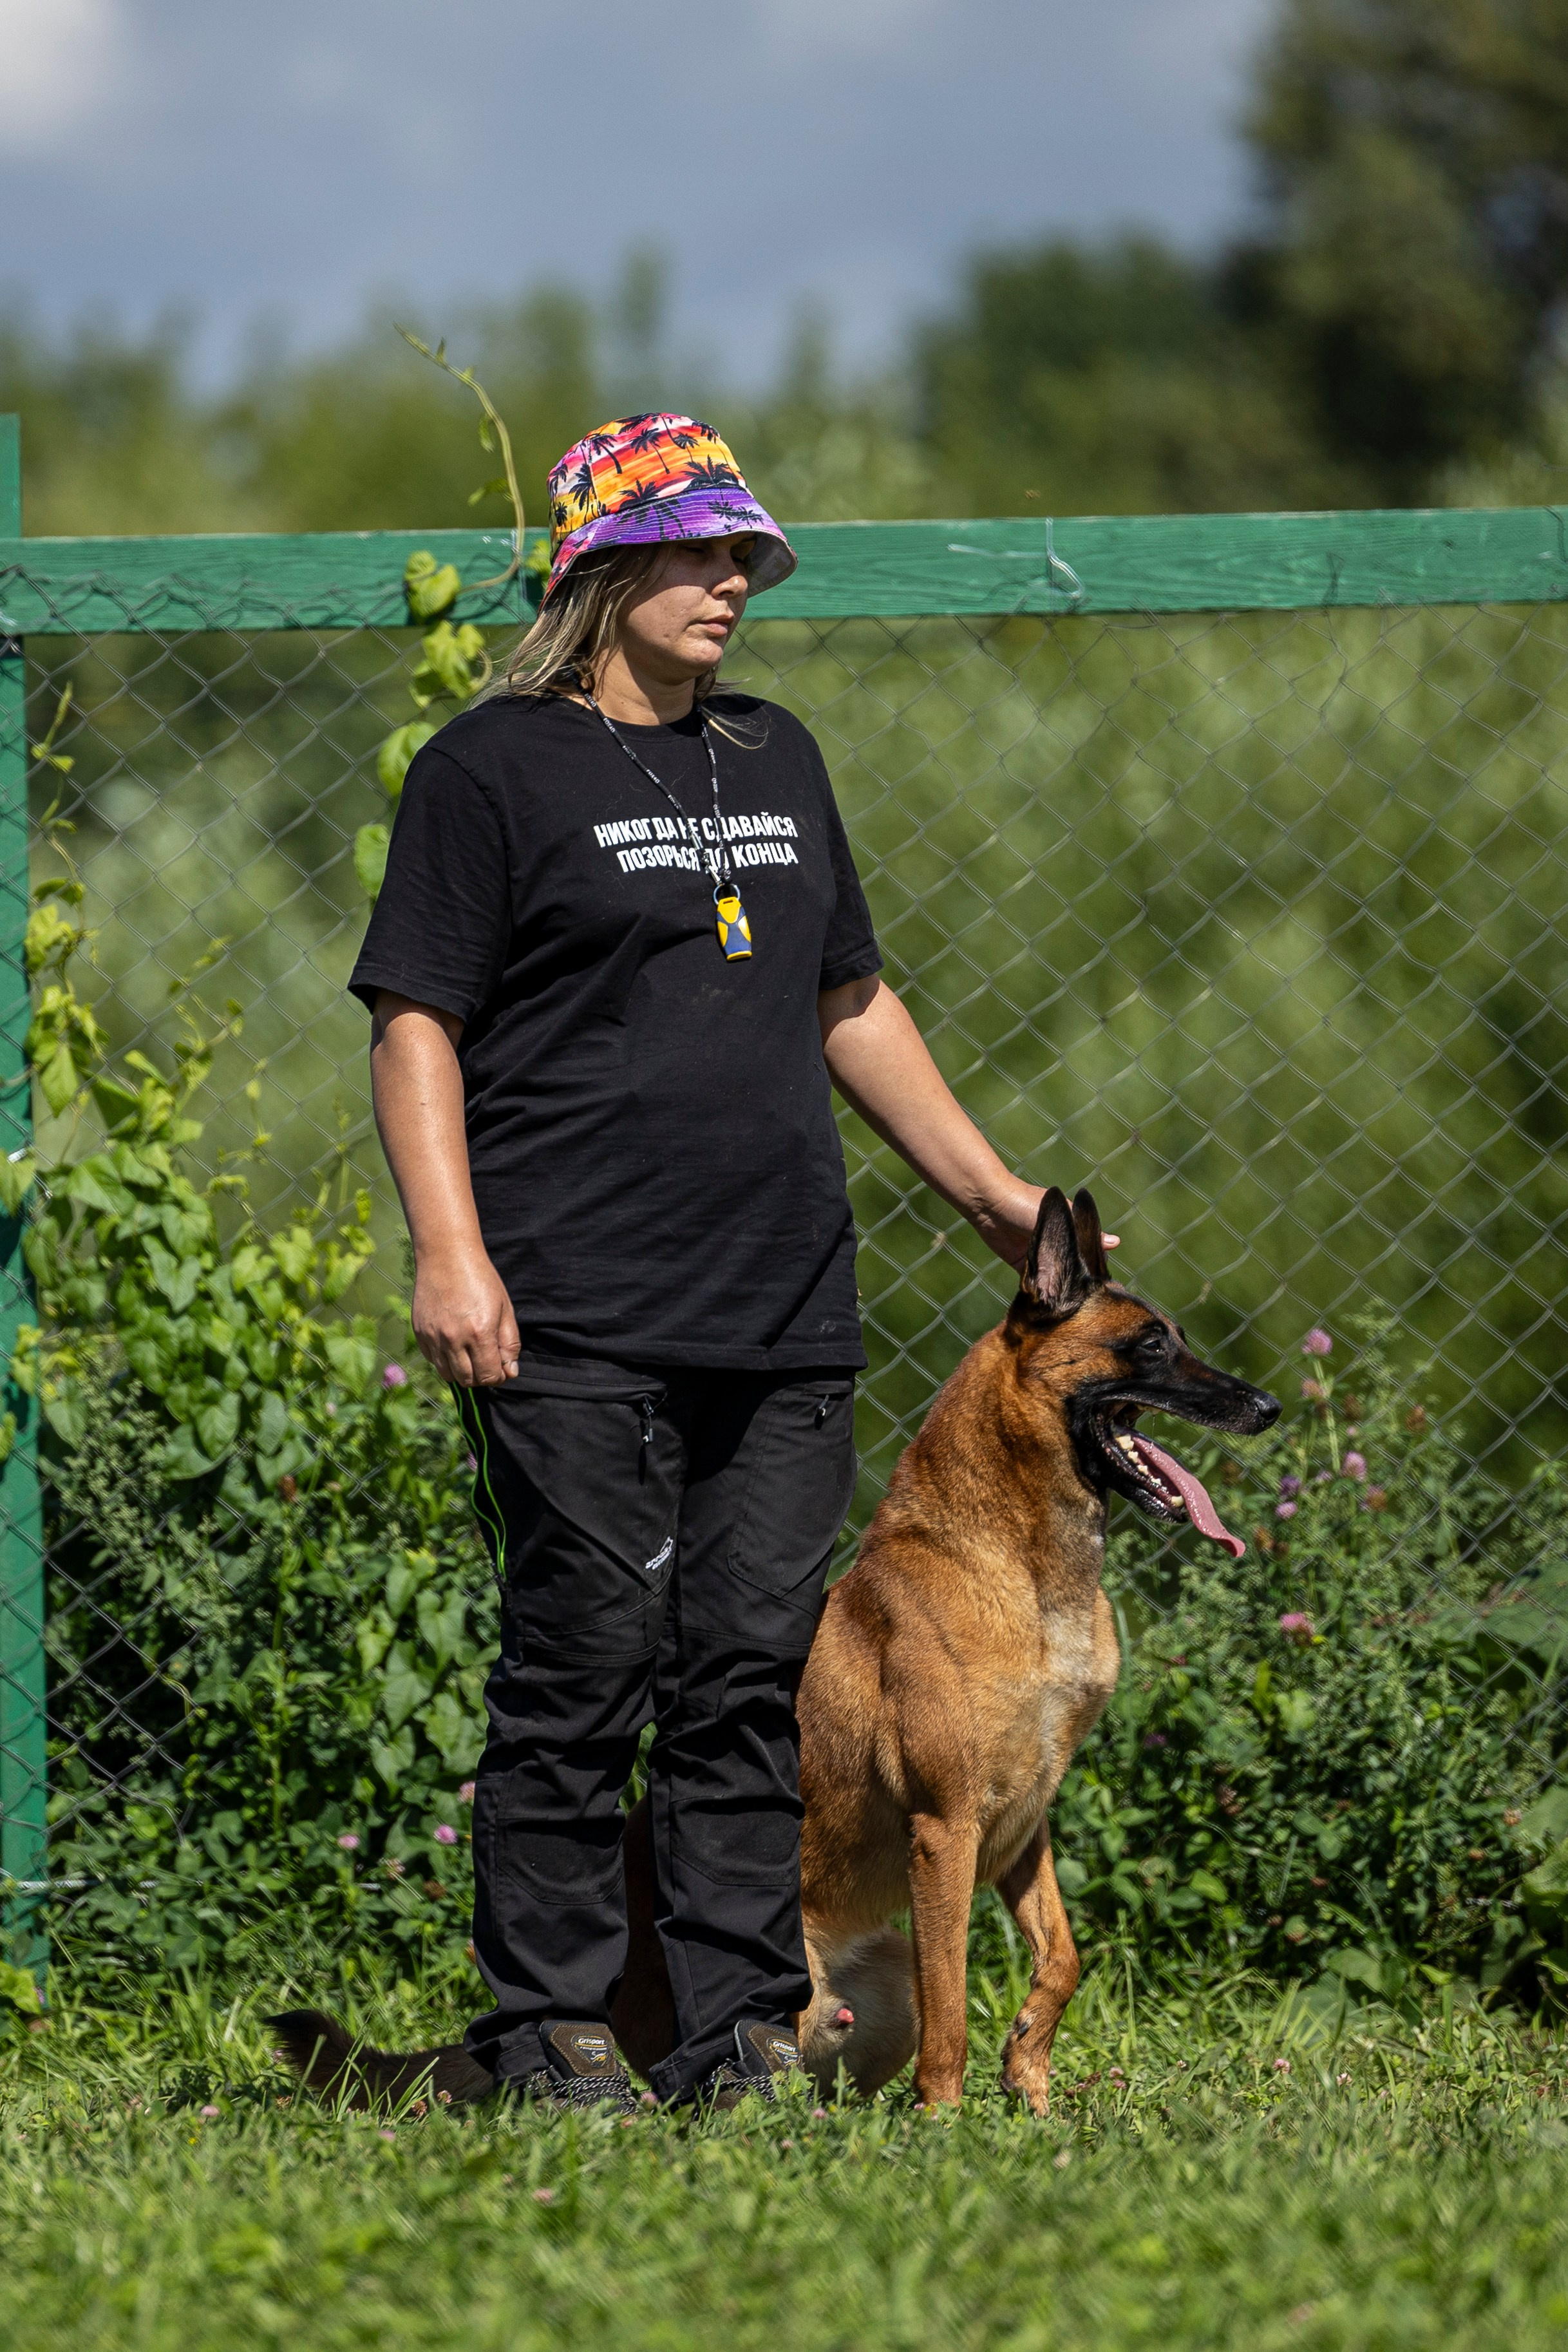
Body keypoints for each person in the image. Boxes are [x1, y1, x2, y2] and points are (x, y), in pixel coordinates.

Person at [350, 412, 1108, 2113]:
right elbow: (417, 1022)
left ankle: (737, 2028)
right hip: (568, 1300)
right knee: (582, 1657)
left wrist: (991, 1189)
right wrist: (451, 1251)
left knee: (748, 1670)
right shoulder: (490, 771)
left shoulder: (774, 757)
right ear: (600, 572)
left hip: (779, 1302)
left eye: (743, 555)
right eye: (693, 553)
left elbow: (846, 997)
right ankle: (546, 2025)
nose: (731, 582)